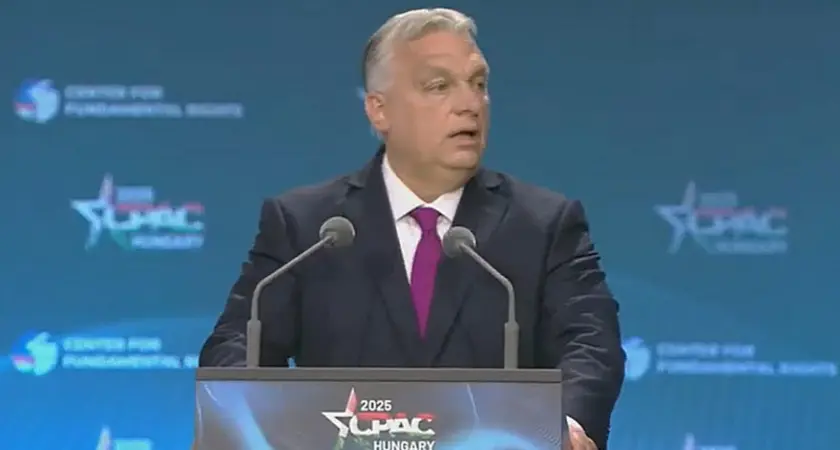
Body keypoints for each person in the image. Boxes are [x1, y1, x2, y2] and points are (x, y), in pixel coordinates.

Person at [199, 8, 625, 450]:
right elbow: (236, 345)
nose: (470, 103)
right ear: (379, 111)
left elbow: (591, 345)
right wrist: (239, 426)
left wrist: (569, 427)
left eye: (479, 84)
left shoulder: (544, 224)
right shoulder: (309, 226)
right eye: (439, 86)